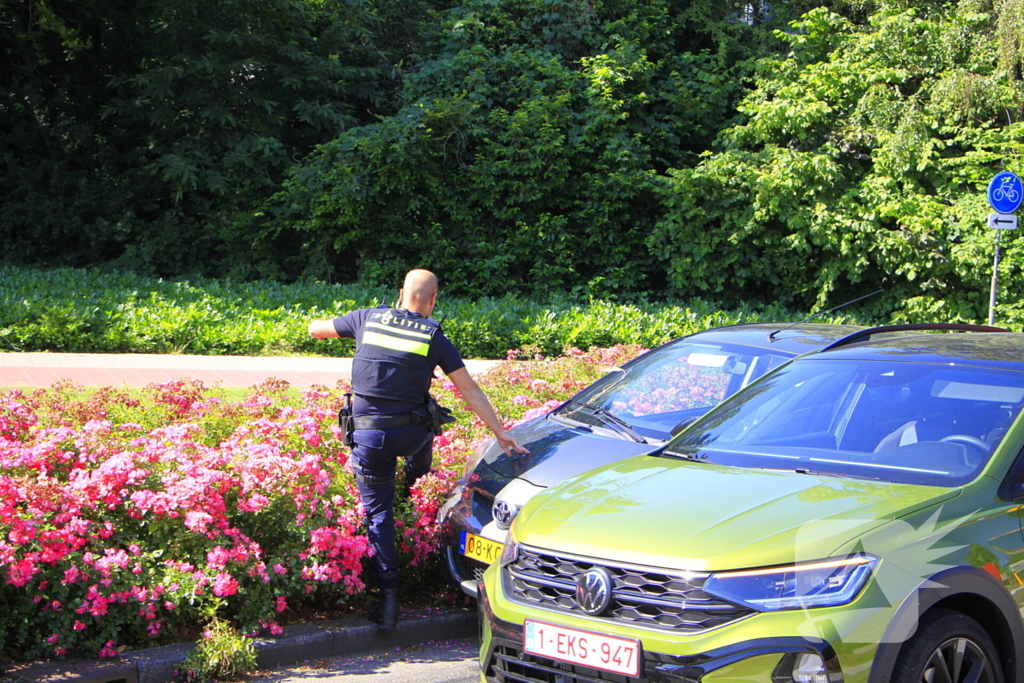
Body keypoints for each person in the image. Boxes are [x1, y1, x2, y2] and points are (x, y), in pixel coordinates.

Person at [308, 269, 529, 630]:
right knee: (428, 425)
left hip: (369, 438)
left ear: (399, 294)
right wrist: (501, 433)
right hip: (410, 434)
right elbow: (469, 390)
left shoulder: (366, 318)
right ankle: (417, 481)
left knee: (378, 512)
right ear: (433, 300)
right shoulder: (433, 336)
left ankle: (389, 599)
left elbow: (316, 329)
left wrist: (332, 326)